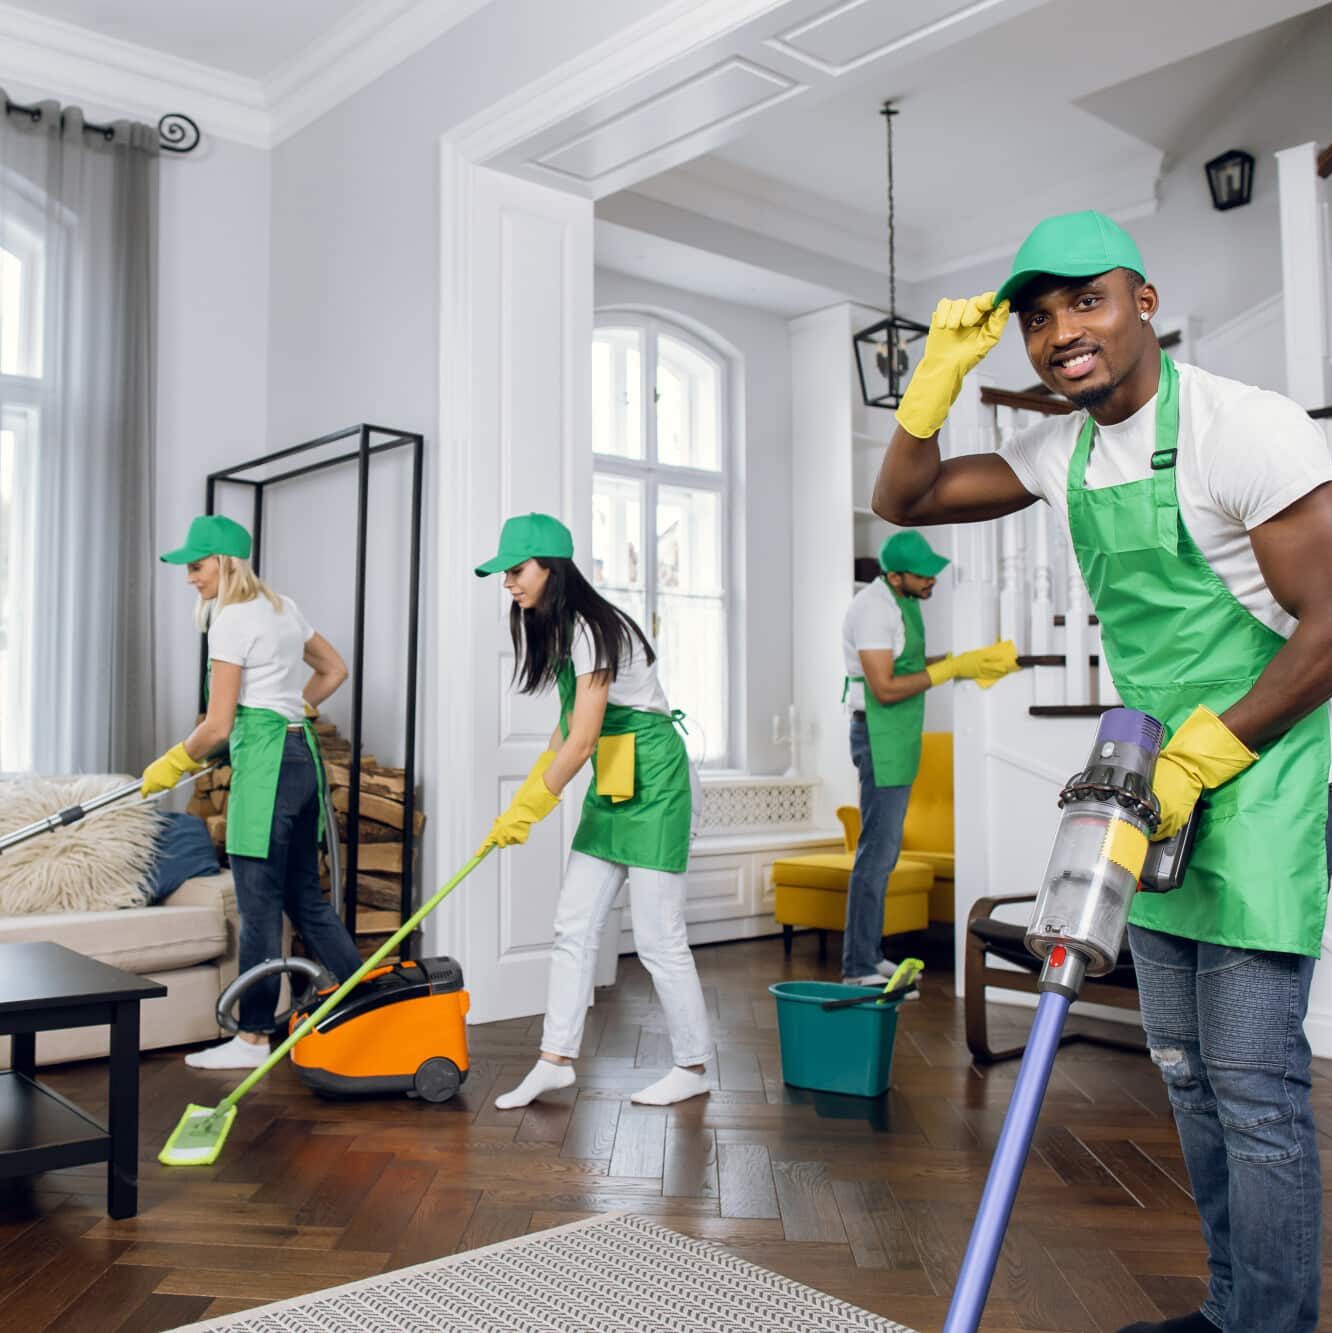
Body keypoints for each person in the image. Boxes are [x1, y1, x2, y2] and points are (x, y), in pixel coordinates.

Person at [875, 210, 1332, 1333]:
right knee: (1180, 1064)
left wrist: (1211, 753)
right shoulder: (1059, 449)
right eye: (1036, 317)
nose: (1059, 331)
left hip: (1261, 762)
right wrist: (930, 387)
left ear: (1145, 302)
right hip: (1145, 775)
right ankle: (1232, 1311)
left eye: (1087, 300)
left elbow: (1330, 628)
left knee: (1255, 1084)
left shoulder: (1244, 428)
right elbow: (907, 502)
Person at [474, 512, 712, 1109]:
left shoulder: (590, 628)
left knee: (660, 938)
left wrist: (533, 810)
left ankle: (694, 1064)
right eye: (504, 573)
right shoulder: (560, 631)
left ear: (552, 568)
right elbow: (566, 731)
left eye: (517, 570)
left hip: (653, 779)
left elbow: (581, 742)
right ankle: (555, 1060)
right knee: (573, 924)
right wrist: (519, 804)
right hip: (617, 773)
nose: (508, 583)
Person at [143, 514, 364, 1070]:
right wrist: (289, 712)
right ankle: (365, 1006)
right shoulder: (283, 607)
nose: (190, 577)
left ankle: (253, 1038)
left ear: (224, 562)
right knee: (304, 901)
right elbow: (333, 670)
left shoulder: (232, 618)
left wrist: (171, 763)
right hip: (301, 759)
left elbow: (218, 726)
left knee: (259, 907)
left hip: (266, 769)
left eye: (196, 566)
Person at [840, 530, 1018, 986]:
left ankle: (869, 954)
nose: (931, 582)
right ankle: (857, 967)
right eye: (923, 575)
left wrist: (963, 659)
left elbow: (909, 664)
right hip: (878, 735)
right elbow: (885, 687)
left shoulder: (902, 604)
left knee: (885, 851)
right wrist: (950, 670)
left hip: (898, 734)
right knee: (875, 854)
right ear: (895, 575)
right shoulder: (872, 610)